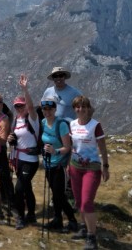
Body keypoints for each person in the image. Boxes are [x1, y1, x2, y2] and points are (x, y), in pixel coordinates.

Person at [69, 96, 109, 250]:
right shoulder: (72, 124)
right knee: (79, 201)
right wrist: (68, 164)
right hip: (75, 167)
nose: (81, 109)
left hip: (92, 167)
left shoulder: (95, 125)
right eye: (78, 107)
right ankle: (83, 227)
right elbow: (72, 146)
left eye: (84, 106)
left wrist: (105, 166)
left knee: (87, 202)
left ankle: (92, 237)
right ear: (74, 109)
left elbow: (102, 147)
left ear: (88, 108)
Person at [41, 94, 79, 232]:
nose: (47, 111)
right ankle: (57, 219)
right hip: (48, 164)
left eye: (50, 109)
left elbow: (67, 147)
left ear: (55, 109)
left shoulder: (61, 125)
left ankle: (72, 220)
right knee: (55, 194)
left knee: (59, 196)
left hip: (59, 166)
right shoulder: (43, 123)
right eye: (45, 109)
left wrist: (55, 151)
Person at [8, 75, 40, 229]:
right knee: (27, 188)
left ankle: (20, 217)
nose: (19, 108)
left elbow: (32, 107)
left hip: (31, 160)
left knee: (19, 189)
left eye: (21, 106)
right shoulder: (15, 121)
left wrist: (25, 89)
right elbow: (15, 139)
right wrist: (11, 140)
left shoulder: (32, 118)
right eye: (17, 106)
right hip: (18, 159)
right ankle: (31, 214)